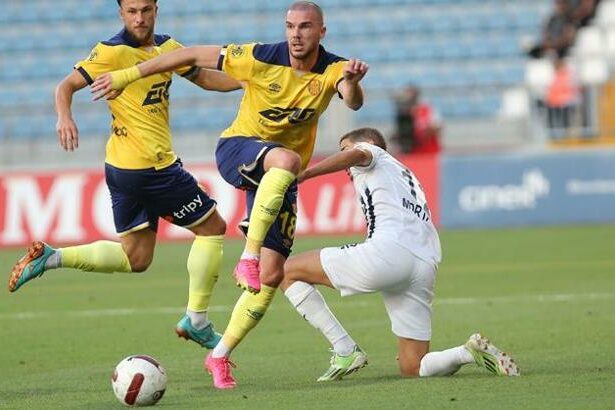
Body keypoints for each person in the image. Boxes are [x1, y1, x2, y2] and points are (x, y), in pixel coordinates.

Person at [90, 1, 368, 389]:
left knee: (272, 276)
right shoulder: (259, 56)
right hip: (239, 149)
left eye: (305, 27)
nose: (296, 34)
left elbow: (352, 99)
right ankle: (247, 257)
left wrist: (352, 82)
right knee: (286, 160)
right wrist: (127, 76)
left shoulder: (333, 68)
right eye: (290, 26)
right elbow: (187, 56)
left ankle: (218, 356)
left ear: (321, 32)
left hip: (279, 175)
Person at [8, 0, 241, 351]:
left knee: (137, 258)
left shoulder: (168, 48)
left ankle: (50, 258)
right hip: (152, 167)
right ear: (121, 13)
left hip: (121, 169)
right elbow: (65, 87)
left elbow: (206, 78)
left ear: (156, 9)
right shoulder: (111, 52)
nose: (139, 18)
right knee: (212, 228)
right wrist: (64, 117)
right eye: (132, 11)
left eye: (145, 9)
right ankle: (197, 321)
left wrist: (250, 81)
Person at [280, 127, 519, 380]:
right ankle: (467, 352)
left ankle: (344, 349)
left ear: (369, 143)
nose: (345, 161)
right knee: (413, 366)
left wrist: (306, 173)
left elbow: (357, 154)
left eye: (345, 148)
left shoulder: (373, 153)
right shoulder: (404, 173)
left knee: (284, 271)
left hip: (388, 253)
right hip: (424, 264)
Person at [393, 85, 441, 155]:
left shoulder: (426, 108)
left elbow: (437, 126)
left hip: (429, 151)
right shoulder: (403, 114)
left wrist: (423, 133)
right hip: (412, 153)